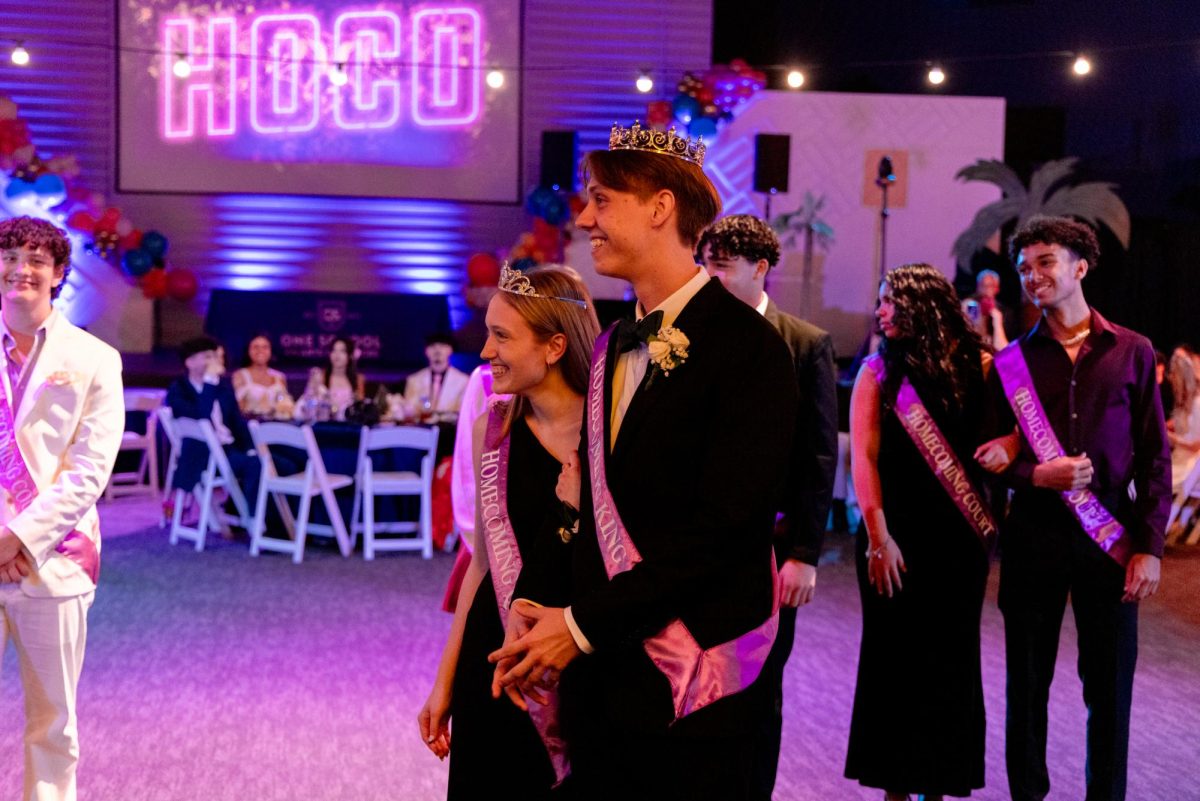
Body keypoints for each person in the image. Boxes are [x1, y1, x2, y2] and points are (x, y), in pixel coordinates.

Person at [488, 122, 798, 801]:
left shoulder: (752, 348)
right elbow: (588, 498)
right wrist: (541, 599)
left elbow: (728, 530)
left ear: (659, 207)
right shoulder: (608, 348)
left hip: (696, 689)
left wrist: (579, 624)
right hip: (605, 678)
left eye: (601, 199)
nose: (583, 216)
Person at [984, 216, 1169, 801]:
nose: (1031, 275)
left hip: (1109, 538)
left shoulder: (1133, 352)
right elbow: (984, 457)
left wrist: (1150, 547)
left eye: (1044, 262)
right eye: (1023, 267)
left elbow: (1156, 461)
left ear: (1079, 267)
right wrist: (1036, 473)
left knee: (1110, 689)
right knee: (1027, 685)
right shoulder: (1010, 363)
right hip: (1033, 537)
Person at [418, 265, 599, 799]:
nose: (484, 353)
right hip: (494, 661)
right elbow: (481, 562)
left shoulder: (609, 435)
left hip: (578, 658)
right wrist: (445, 681)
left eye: (501, 336)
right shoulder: (489, 429)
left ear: (554, 346)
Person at [698, 213, 838, 799]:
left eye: (722, 266)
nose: (708, 277)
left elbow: (818, 457)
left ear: (760, 269)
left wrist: (804, 552)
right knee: (693, 674)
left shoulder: (805, 344)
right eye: (703, 264)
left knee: (758, 683)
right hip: (698, 547)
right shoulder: (684, 336)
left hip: (771, 549)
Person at [845, 263, 996, 801]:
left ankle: (940, 782)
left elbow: (1012, 435)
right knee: (895, 662)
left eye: (890, 301)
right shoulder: (877, 372)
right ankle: (895, 786)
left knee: (951, 661)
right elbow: (863, 457)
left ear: (923, 305)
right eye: (880, 301)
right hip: (895, 538)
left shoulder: (981, 365)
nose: (881, 311)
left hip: (958, 544)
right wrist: (878, 537)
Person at [0, 216, 124, 801]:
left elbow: (90, 470)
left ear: (57, 275)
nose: (21, 268)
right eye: (9, 255)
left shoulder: (96, 358)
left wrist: (17, 539)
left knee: (53, 724)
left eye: (36, 259)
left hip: (57, 562)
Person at [166, 336, 260, 516]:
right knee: (255, 466)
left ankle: (281, 522)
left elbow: (236, 420)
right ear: (190, 362)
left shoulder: (222, 385)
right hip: (204, 455)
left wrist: (250, 448)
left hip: (229, 448)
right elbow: (202, 414)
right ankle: (256, 522)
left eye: (214, 356)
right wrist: (209, 382)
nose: (214, 361)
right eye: (207, 357)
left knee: (281, 463)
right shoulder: (179, 389)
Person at [405, 332, 470, 421]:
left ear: (451, 350)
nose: (437, 351)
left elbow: (463, 412)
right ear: (426, 351)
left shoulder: (463, 381)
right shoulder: (414, 380)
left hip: (450, 431)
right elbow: (409, 410)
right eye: (432, 346)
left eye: (443, 346)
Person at [296, 336, 364, 420]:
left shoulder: (358, 379)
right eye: (334, 350)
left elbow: (360, 406)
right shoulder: (320, 376)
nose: (337, 355)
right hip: (324, 424)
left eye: (342, 351)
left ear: (350, 355)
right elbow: (308, 402)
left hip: (348, 426)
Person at [231, 333, 292, 418]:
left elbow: (286, 406)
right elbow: (236, 409)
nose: (260, 351)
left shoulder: (279, 376)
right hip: (252, 425)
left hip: (277, 424)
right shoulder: (240, 375)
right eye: (256, 347)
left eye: (265, 347)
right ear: (248, 350)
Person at [1167, 350, 1200, 492]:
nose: (1170, 378)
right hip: (1178, 458)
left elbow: (1195, 445)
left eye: (1174, 374)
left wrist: (1171, 437)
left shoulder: (1198, 404)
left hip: (1190, 465)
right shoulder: (1184, 404)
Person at [962, 268, 1011, 349]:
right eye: (983, 285)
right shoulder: (972, 305)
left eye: (990, 286)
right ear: (977, 287)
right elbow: (974, 332)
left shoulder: (1005, 311)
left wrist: (996, 317)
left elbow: (1005, 345)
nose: (986, 289)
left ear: (997, 288)